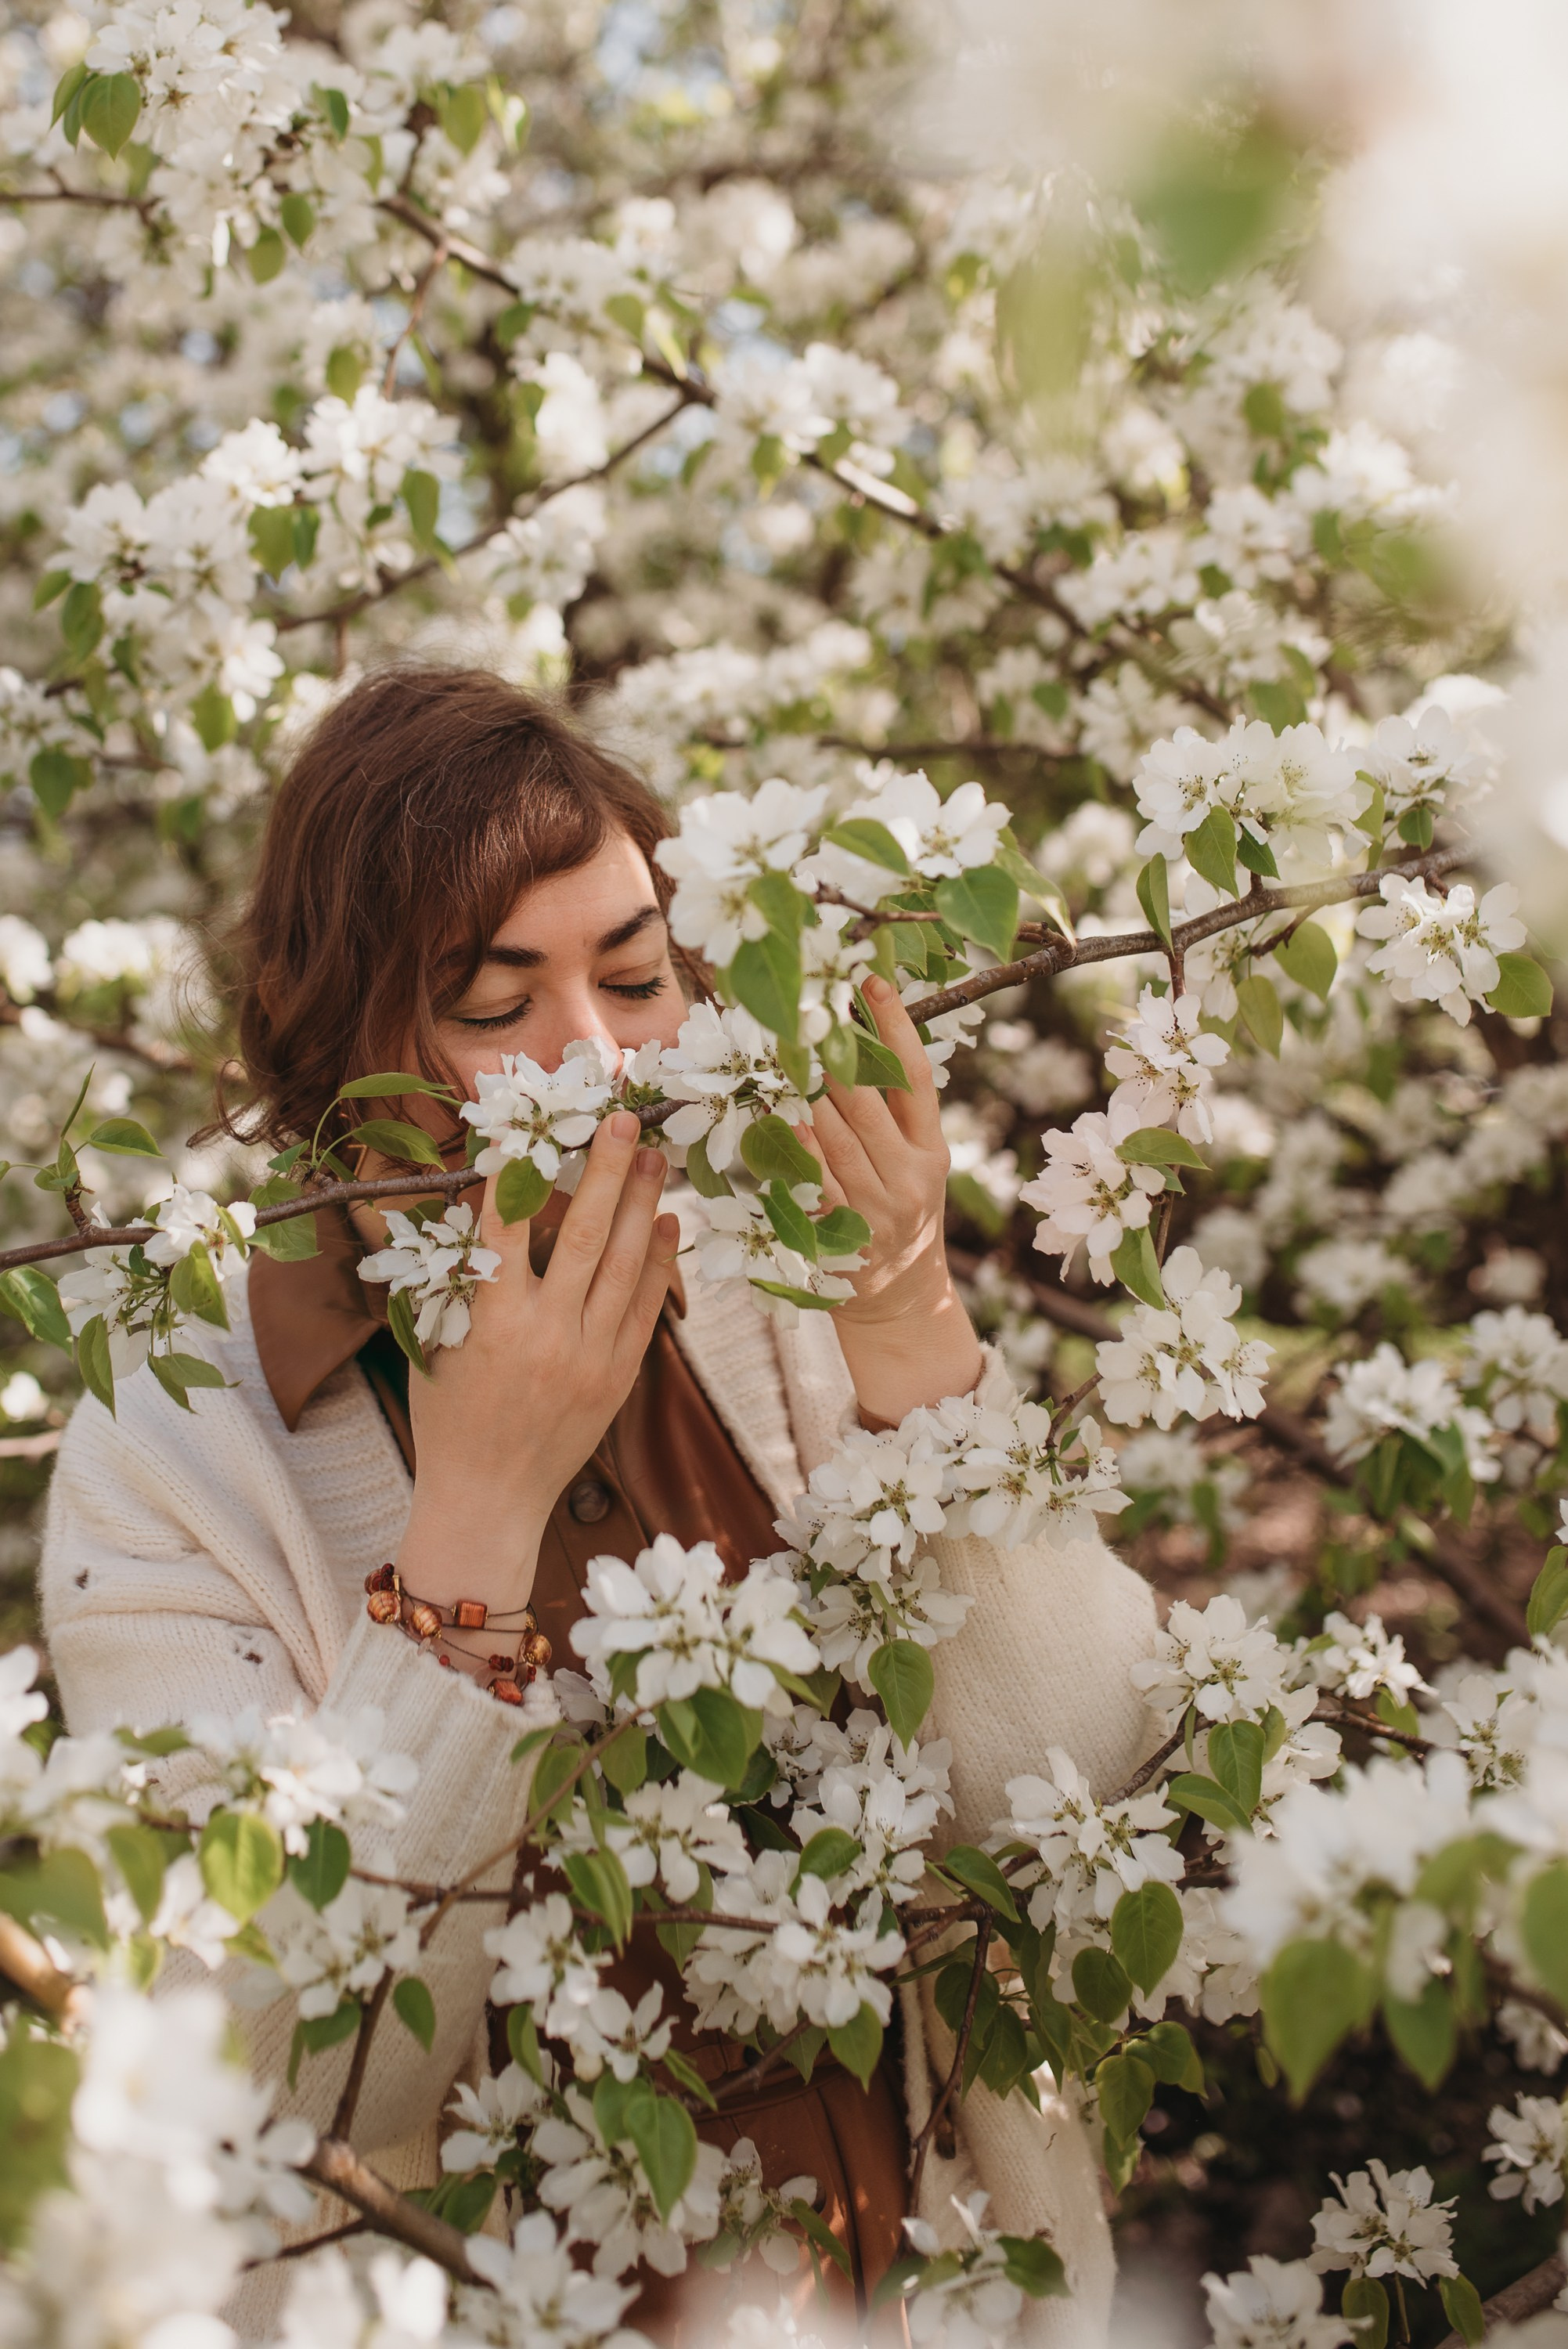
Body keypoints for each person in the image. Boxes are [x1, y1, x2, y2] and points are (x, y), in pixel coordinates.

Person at [39, 666, 1159, 2346]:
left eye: (636, 979)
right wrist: (478, 1514)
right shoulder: (172, 1450)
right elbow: (275, 2077)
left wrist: (909, 1324)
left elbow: (1089, 1813)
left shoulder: (769, 1269)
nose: (598, 1063)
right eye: (498, 1008)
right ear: (337, 1045)